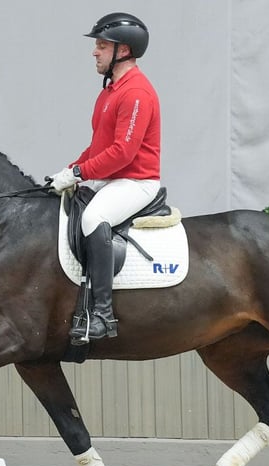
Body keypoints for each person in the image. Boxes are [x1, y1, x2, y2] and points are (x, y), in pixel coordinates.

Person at [51, 12, 161, 342]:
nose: (94, 52)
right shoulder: (110, 91)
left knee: (94, 217)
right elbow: (100, 146)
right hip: (111, 178)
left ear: (123, 51)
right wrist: (69, 170)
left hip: (135, 181)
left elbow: (123, 154)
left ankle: (102, 313)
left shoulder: (136, 92)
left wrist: (79, 173)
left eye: (101, 46)